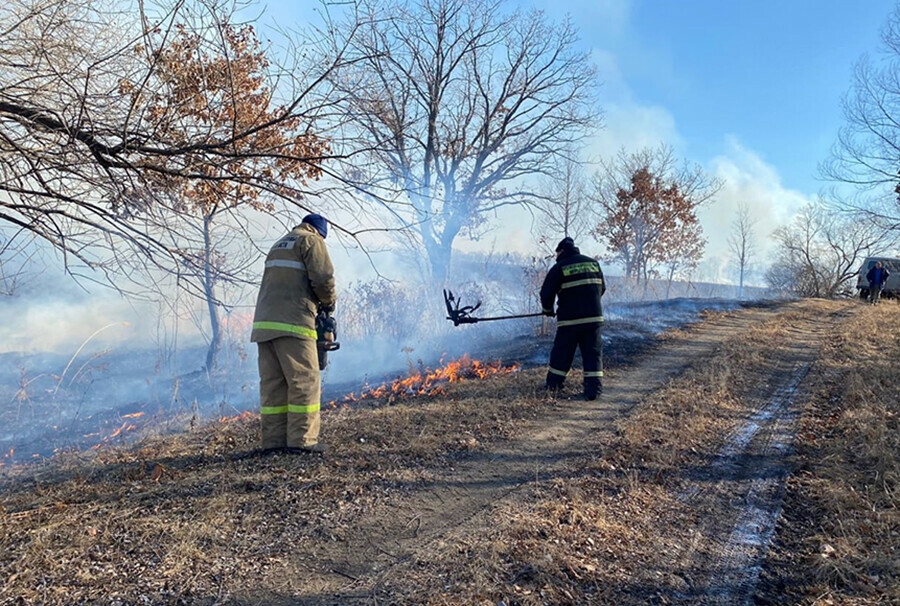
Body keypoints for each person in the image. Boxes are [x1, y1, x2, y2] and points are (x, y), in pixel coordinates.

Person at [250, 214, 336, 454]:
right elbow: (323, 277)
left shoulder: (280, 243)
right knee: (305, 381)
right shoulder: (311, 241)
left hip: (265, 326)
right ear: (321, 232)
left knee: (274, 385)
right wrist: (328, 304)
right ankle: (303, 442)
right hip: (294, 323)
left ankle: (274, 442)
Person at [540, 237, 606, 400]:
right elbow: (602, 288)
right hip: (593, 320)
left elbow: (546, 293)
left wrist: (548, 310)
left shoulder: (560, 267)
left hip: (570, 321)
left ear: (561, 251)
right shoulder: (593, 264)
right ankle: (593, 391)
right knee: (593, 354)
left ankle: (554, 385)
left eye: (557, 253)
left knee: (562, 353)